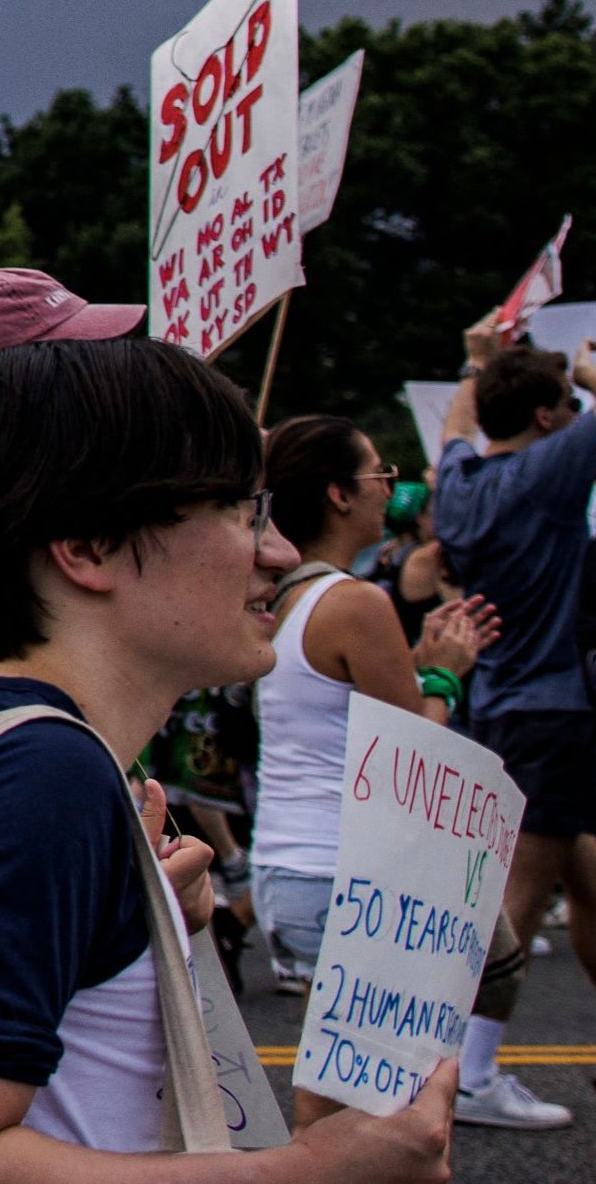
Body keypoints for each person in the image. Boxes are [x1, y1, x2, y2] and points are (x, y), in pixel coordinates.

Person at [0, 283, 457, 1184]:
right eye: (235, 506)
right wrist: (315, 1168)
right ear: (86, 545)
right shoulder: (41, 777)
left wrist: (124, 923)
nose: (272, 551)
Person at [247, 418, 525, 1113]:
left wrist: (423, 669)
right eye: (380, 475)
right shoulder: (355, 602)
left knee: (331, 1104)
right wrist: (446, 677)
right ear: (340, 495)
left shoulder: (281, 595)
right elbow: (413, 766)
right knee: (387, 1121)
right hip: (352, 881)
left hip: (289, 870)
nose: (390, 491)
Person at [411, 330, 596, 1127]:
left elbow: (456, 422)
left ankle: (462, 1066)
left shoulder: (457, 478)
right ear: (549, 416)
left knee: (580, 872)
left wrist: (477, 360)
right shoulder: (546, 469)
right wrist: (586, 369)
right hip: (551, 705)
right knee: (516, 896)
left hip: (509, 701)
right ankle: (469, 1073)